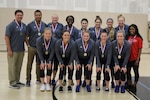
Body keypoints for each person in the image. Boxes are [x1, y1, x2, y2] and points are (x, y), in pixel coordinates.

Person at [5, 10, 26, 89]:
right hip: (13, 50)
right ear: (15, 16)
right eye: (18, 15)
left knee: (18, 66)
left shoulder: (23, 25)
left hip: (21, 50)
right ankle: (12, 82)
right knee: (12, 66)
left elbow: (25, 37)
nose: (20, 16)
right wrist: (9, 49)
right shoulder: (10, 26)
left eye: (21, 15)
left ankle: (17, 80)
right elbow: (6, 37)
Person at [25, 10, 47, 86]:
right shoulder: (30, 25)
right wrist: (28, 45)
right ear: (34, 16)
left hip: (40, 48)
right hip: (32, 47)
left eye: (39, 15)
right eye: (37, 15)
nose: (38, 16)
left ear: (41, 15)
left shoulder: (44, 25)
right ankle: (28, 80)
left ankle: (39, 79)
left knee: (39, 64)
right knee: (29, 64)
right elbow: (26, 36)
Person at [36, 27, 56, 91]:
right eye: (46, 33)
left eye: (49, 33)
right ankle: (42, 84)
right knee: (41, 68)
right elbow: (39, 51)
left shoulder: (54, 40)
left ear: (51, 34)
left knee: (49, 68)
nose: (48, 35)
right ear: (43, 34)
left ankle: (47, 84)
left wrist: (49, 61)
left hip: (50, 55)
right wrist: (42, 61)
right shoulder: (39, 40)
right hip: (41, 55)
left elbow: (53, 51)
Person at [47, 14, 64, 85]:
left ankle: (53, 78)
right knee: (50, 63)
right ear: (51, 18)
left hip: (57, 48)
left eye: (56, 18)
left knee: (56, 64)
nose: (55, 19)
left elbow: (62, 36)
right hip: (50, 47)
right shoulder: (48, 25)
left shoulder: (61, 26)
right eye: (54, 18)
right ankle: (49, 79)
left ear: (58, 19)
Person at [127, 24, 143, 94]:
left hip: (135, 58)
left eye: (133, 29)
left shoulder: (139, 38)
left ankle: (135, 84)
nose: (131, 30)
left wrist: (138, 59)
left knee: (136, 72)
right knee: (127, 72)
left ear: (136, 30)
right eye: (130, 29)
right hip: (128, 58)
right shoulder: (128, 37)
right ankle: (129, 83)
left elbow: (140, 49)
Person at [63, 15, 79, 85]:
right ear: (66, 20)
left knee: (71, 66)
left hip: (71, 50)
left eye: (71, 20)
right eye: (68, 20)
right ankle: (64, 79)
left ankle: (71, 79)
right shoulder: (63, 28)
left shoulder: (76, 30)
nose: (70, 21)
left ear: (73, 21)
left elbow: (76, 40)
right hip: (64, 50)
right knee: (63, 66)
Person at [105, 18, 116, 88]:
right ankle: (105, 80)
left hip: (113, 51)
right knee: (106, 67)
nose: (109, 23)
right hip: (106, 51)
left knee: (112, 67)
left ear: (112, 23)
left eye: (111, 22)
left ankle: (112, 81)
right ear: (106, 22)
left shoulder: (115, 31)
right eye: (108, 22)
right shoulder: (104, 30)